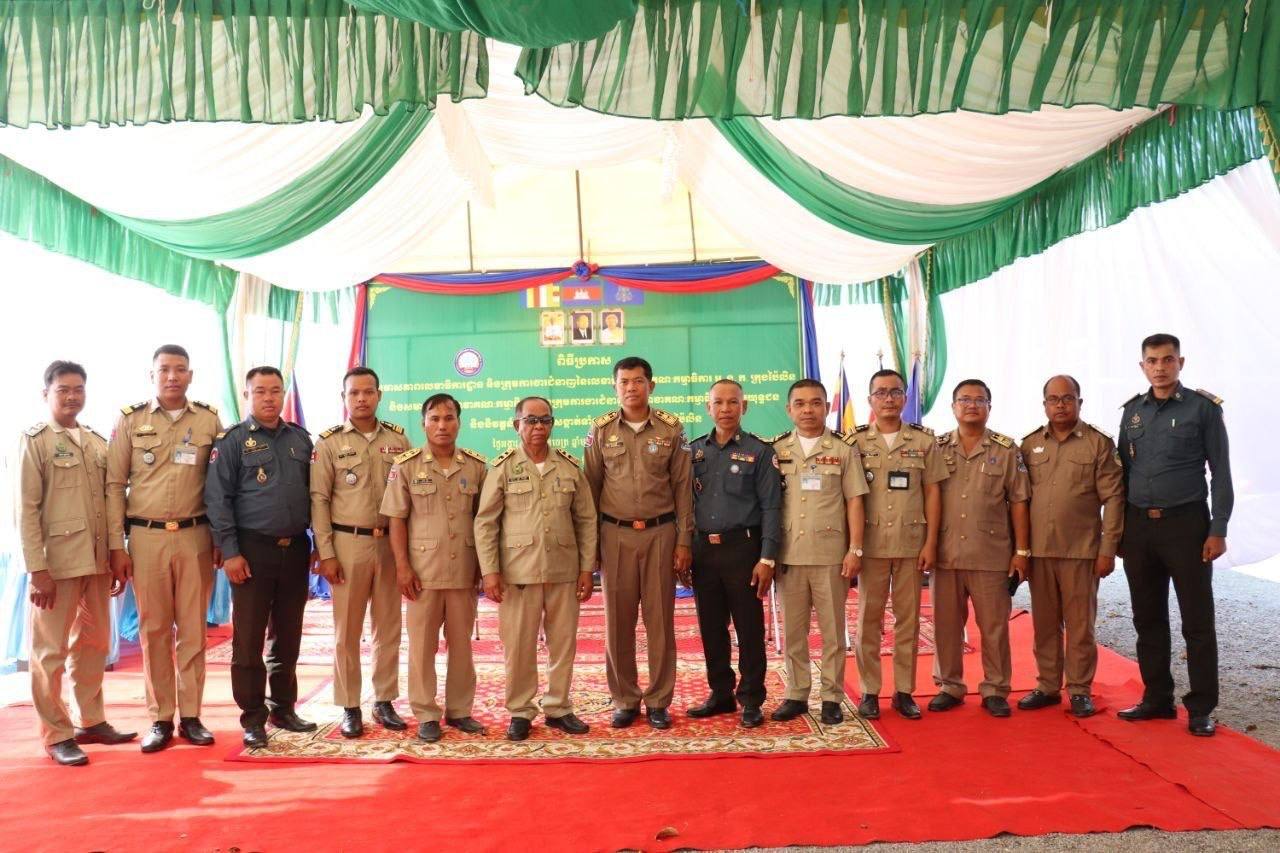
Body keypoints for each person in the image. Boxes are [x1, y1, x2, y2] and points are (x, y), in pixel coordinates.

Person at [105, 344, 222, 753]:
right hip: (146, 537)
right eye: (165, 369)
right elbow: (114, 485)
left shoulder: (208, 419)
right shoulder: (130, 420)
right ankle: (160, 717)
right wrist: (117, 545)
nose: (172, 376)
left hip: (195, 536)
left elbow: (220, 484)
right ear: (151, 375)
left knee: (193, 630)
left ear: (191, 375)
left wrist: (221, 538)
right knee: (154, 630)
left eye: (180, 369)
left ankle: (191, 716)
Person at [19, 361, 136, 765]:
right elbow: (25, 510)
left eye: (78, 389)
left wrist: (116, 553)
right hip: (57, 566)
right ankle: (56, 733)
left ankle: (90, 720)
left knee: (93, 644)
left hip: (96, 563)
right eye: (63, 390)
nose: (72, 396)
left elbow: (111, 502)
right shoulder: (35, 441)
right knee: (49, 652)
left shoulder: (95, 442)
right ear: (46, 394)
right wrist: (37, 570)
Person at [1117, 333, 1232, 737]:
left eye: (1168, 359)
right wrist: (1120, 531)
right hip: (1139, 527)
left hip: (1187, 525)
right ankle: (1157, 699)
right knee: (1147, 618)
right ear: (1142, 366)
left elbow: (1221, 472)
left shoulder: (1202, 409)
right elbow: (1123, 474)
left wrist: (1218, 528)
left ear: (1180, 363)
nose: (1160, 367)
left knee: (1196, 621)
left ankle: (1201, 708)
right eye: (1152, 361)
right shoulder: (1132, 412)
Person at [204, 366, 317, 749]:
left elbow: (316, 495)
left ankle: (283, 708)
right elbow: (218, 499)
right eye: (260, 391)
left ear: (284, 394)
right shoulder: (233, 441)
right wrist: (231, 552)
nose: (269, 398)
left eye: (275, 391)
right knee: (249, 639)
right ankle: (253, 717)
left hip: (295, 548)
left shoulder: (300, 439)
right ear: (247, 395)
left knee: (288, 635)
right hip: (251, 551)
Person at [474, 397, 598, 741]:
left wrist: (587, 568)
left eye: (545, 420)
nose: (538, 427)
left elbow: (586, 520)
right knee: (518, 646)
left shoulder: (569, 467)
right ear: (517, 425)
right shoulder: (502, 468)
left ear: (552, 424)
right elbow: (485, 523)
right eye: (531, 421)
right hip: (518, 574)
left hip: (563, 571)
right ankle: (520, 711)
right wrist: (490, 571)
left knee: (563, 644)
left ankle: (558, 708)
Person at [583, 356, 694, 729]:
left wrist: (684, 541)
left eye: (638, 381)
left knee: (659, 621)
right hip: (614, 535)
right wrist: (592, 546)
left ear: (651, 385)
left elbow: (683, 489)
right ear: (614, 387)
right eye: (624, 381)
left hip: (661, 534)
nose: (631, 387)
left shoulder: (671, 429)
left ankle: (659, 700)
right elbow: (591, 489)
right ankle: (625, 699)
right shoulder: (600, 430)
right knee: (618, 621)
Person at [310, 367, 411, 738]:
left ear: (379, 395)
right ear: (344, 398)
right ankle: (349, 705)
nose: (362, 399)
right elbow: (319, 500)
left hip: (389, 545)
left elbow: (407, 497)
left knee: (389, 627)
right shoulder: (328, 443)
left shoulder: (398, 440)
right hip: (347, 544)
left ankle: (384, 700)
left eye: (368, 392)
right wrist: (326, 552)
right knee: (347, 631)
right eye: (354, 393)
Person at [380, 394, 488, 742]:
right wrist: (402, 567)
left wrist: (485, 568)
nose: (442, 425)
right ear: (423, 423)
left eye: (449, 418)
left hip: (463, 572)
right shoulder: (407, 466)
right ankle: (426, 713)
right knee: (422, 647)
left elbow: (485, 521)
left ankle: (459, 710)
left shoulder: (476, 466)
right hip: (422, 574)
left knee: (462, 646)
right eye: (435, 419)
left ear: (459, 422)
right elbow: (396, 519)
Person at [1017, 376, 1124, 718]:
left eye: (1067, 398)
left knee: (1080, 626)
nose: (1060, 405)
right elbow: (1017, 500)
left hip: (1081, 551)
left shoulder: (1097, 443)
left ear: (1080, 402)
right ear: (1044, 404)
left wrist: (1108, 549)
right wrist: (1019, 551)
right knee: (1044, 625)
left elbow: (1114, 498)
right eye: (1053, 399)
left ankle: (1079, 689)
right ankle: (1048, 686)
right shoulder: (1030, 444)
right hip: (1039, 551)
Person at [848, 369, 948, 720]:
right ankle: (869, 691)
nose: (888, 399)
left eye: (895, 392)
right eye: (881, 393)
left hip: (910, 544)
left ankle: (904, 691)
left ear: (905, 398)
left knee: (909, 621)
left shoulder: (924, 442)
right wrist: (853, 547)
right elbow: (850, 498)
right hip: (872, 545)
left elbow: (933, 492)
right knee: (868, 620)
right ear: (870, 399)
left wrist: (931, 542)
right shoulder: (856, 442)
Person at [929, 380, 1031, 718]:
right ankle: (950, 686)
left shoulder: (1006, 449)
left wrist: (1021, 552)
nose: (971, 405)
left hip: (991, 553)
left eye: (979, 400)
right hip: (946, 553)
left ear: (989, 406)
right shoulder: (937, 448)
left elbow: (1019, 502)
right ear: (953, 407)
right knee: (946, 625)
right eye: (964, 399)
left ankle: (996, 688)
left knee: (994, 627)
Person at [770, 379, 868, 725]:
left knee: (832, 633)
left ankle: (831, 697)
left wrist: (855, 549)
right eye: (800, 404)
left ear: (827, 407)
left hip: (830, 555)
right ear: (789, 409)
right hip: (789, 555)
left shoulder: (842, 449)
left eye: (815, 403)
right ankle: (796, 694)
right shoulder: (777, 450)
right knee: (794, 633)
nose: (808, 410)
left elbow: (855, 501)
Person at [685, 380, 781, 727]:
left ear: (745, 406)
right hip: (703, 553)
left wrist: (767, 558)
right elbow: (685, 504)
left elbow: (772, 507)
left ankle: (752, 698)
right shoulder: (694, 451)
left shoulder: (760, 452)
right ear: (708, 407)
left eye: (733, 402)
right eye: (718, 402)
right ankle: (721, 693)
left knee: (749, 629)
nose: (725, 409)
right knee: (711, 628)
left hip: (744, 551)